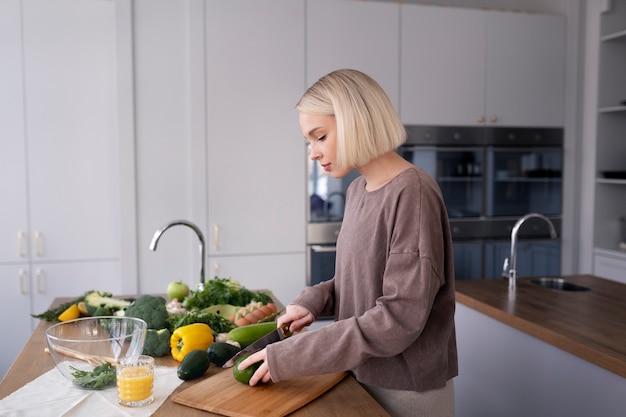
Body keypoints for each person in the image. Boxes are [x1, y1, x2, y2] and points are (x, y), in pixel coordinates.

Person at [238, 69, 458, 417]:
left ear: (356, 121)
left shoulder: (412, 192)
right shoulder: (358, 190)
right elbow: (359, 280)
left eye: (320, 136)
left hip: (404, 389)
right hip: (361, 372)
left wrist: (295, 355)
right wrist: (313, 302)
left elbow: (399, 316)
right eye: (309, 141)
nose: (313, 152)